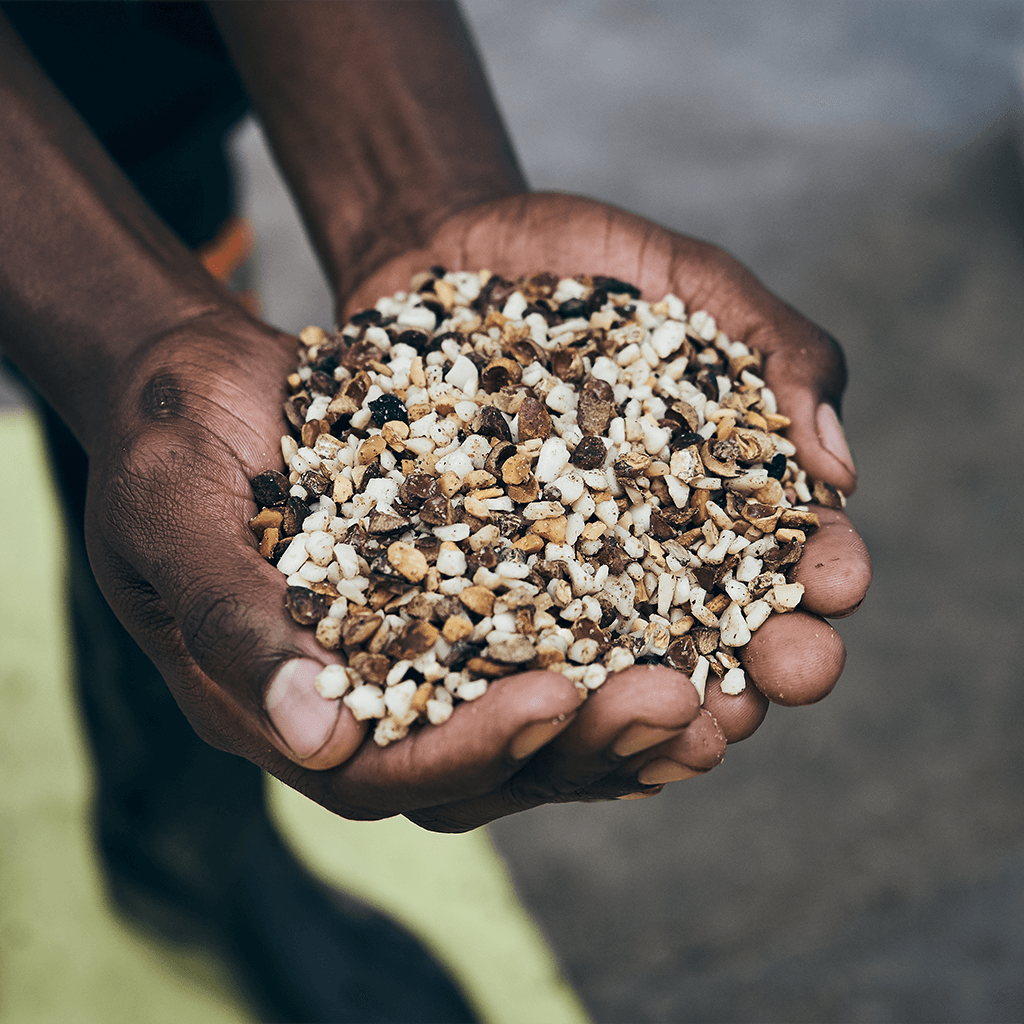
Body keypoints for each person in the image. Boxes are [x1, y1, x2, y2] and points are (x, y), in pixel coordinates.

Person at [0, 1, 872, 1018]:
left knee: (170, 430)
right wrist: (119, 335)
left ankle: (187, 851)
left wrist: (418, 192)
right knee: (154, 436)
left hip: (131, 70)